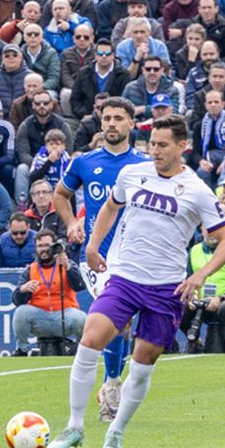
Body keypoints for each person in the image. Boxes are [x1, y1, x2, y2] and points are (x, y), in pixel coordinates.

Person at [46, 116, 225, 448]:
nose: (155, 151)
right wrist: (92, 244)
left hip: (166, 289)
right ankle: (75, 426)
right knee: (90, 339)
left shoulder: (198, 191)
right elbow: (109, 207)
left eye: (163, 145)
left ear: (183, 146)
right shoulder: (133, 173)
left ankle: (115, 433)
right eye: (152, 144)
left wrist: (201, 273)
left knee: (143, 364)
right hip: (124, 278)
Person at [49, 96, 145, 422]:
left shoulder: (145, 165)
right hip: (97, 256)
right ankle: (112, 384)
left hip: (134, 255)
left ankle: (110, 381)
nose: (112, 124)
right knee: (116, 319)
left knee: (124, 324)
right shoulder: (85, 162)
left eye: (119, 118)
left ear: (131, 123)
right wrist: (72, 223)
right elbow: (60, 194)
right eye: (107, 119)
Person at [10, 230, 84, 357]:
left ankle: (82, 349)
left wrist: (68, 267)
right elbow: (17, 301)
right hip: (40, 316)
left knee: (81, 318)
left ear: (54, 246)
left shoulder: (66, 264)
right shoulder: (30, 269)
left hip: (64, 314)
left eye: (46, 245)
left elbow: (79, 286)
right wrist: (23, 289)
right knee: (21, 312)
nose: (43, 249)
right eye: (40, 246)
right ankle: (22, 349)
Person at [179, 225, 225, 353]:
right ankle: (195, 342)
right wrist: (190, 298)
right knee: (176, 306)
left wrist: (221, 298)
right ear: (202, 230)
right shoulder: (194, 250)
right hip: (199, 301)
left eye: (215, 230)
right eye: (208, 229)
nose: (211, 233)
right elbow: (188, 278)